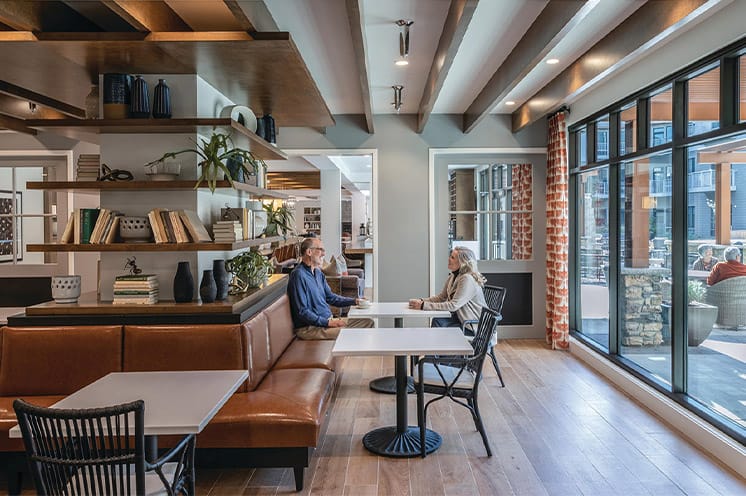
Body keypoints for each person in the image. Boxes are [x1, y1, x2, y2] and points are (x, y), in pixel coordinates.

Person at [288, 237, 373, 340]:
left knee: (368, 322)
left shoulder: (318, 273)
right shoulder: (298, 275)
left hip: (326, 321)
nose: (324, 254)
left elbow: (331, 297)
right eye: (320, 250)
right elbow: (302, 312)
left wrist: (355, 301)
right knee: (356, 332)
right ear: (309, 252)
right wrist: (329, 323)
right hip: (310, 328)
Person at [408, 246, 487, 327]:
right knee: (437, 321)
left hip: (472, 325)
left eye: (452, 257)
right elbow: (441, 298)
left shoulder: (467, 279)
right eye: (450, 256)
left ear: (462, 262)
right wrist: (421, 301)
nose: (449, 259)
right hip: (460, 319)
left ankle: (436, 340)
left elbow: (453, 306)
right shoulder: (453, 276)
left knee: (438, 323)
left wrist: (423, 305)